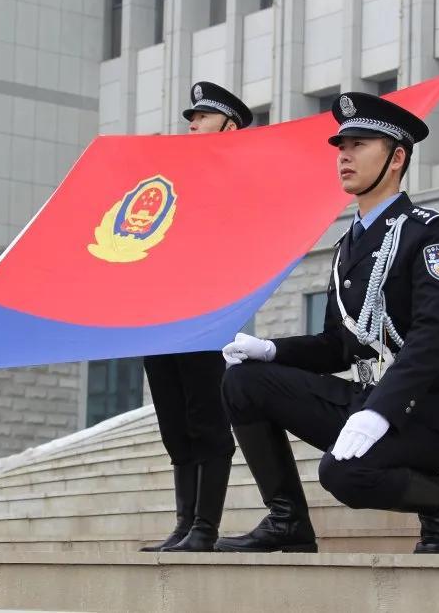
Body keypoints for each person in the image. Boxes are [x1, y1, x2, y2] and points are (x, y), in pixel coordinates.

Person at [214, 92, 439, 554]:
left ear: (396, 158)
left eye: (359, 144)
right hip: (367, 395)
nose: (345, 155)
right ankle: (288, 519)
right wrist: (272, 350)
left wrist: (380, 411)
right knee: (244, 382)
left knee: (343, 473)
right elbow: (339, 346)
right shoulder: (347, 246)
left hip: (426, 411)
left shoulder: (431, 231)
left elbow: (432, 338)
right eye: (341, 145)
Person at [139, 81, 253, 552]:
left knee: (205, 416)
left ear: (229, 125)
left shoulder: (240, 181)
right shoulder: (173, 180)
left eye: (202, 117)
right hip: (160, 312)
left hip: (206, 316)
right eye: (192, 117)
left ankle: (205, 525)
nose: (192, 124)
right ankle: (184, 523)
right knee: (173, 420)